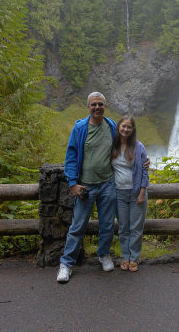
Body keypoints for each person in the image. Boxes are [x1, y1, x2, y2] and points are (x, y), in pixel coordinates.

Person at [57, 92, 117, 283]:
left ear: (105, 106)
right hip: (86, 186)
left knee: (107, 224)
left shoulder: (111, 126)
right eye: (93, 104)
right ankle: (66, 264)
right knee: (78, 226)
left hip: (108, 183)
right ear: (88, 107)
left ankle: (103, 254)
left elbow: (125, 147)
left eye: (100, 104)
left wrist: (143, 157)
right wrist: (73, 183)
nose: (97, 107)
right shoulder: (80, 128)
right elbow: (71, 157)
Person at [111, 115, 149, 272]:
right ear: (118, 127)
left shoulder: (138, 147)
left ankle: (134, 258)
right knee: (123, 228)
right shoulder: (112, 146)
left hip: (136, 194)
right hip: (119, 192)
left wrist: (142, 192)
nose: (125, 129)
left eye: (129, 127)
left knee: (136, 228)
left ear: (133, 130)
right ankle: (125, 256)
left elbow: (144, 172)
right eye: (123, 126)